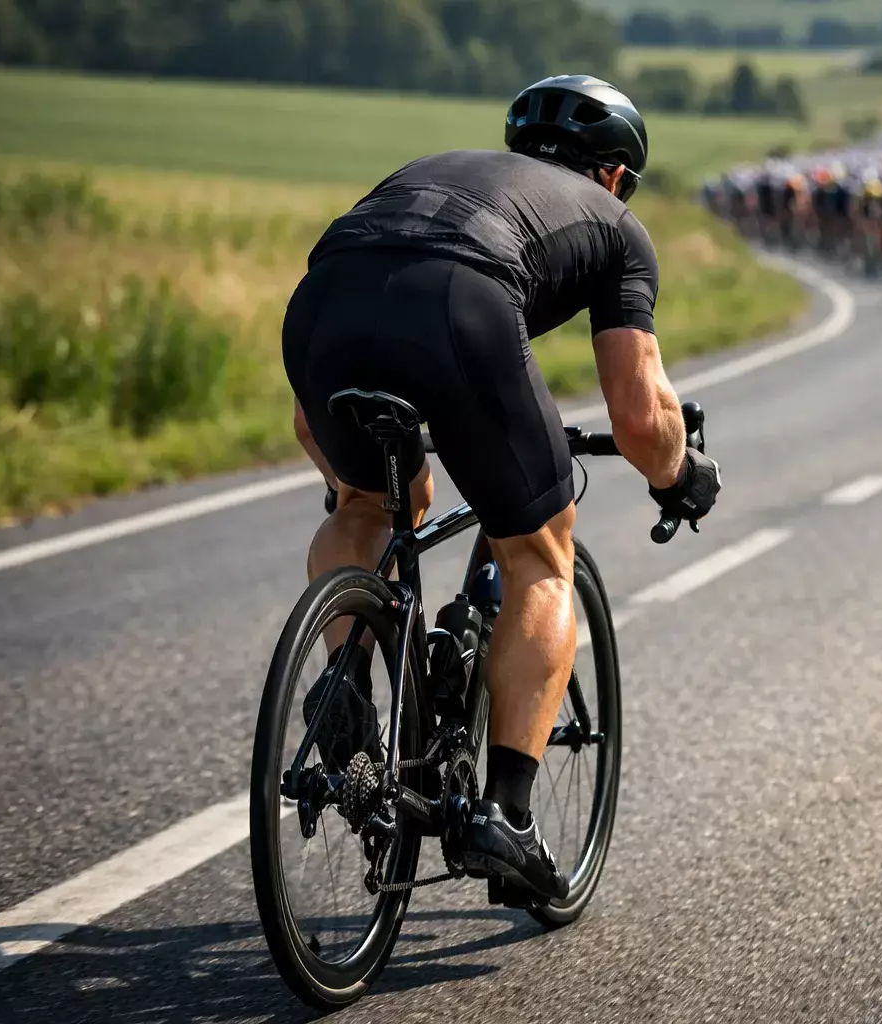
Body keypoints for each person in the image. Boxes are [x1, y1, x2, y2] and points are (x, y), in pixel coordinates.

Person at [281, 75, 721, 902]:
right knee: (543, 558)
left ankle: (347, 690)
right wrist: (681, 474)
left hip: (322, 306)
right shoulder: (617, 226)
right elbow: (637, 415)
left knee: (368, 506)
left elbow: (311, 426)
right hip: (459, 307)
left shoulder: (443, 169)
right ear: (618, 176)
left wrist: (354, 478)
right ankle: (507, 820)